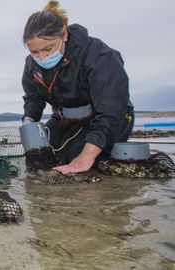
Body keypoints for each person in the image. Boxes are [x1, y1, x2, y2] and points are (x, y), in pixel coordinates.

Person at [21, 1, 134, 174]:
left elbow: (110, 111)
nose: (42, 57)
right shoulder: (32, 65)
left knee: (77, 158)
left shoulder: (99, 56)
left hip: (108, 117)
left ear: (64, 34)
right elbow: (34, 97)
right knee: (42, 156)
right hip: (65, 119)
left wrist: (87, 156)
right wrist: (29, 118)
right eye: (34, 52)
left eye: (48, 49)